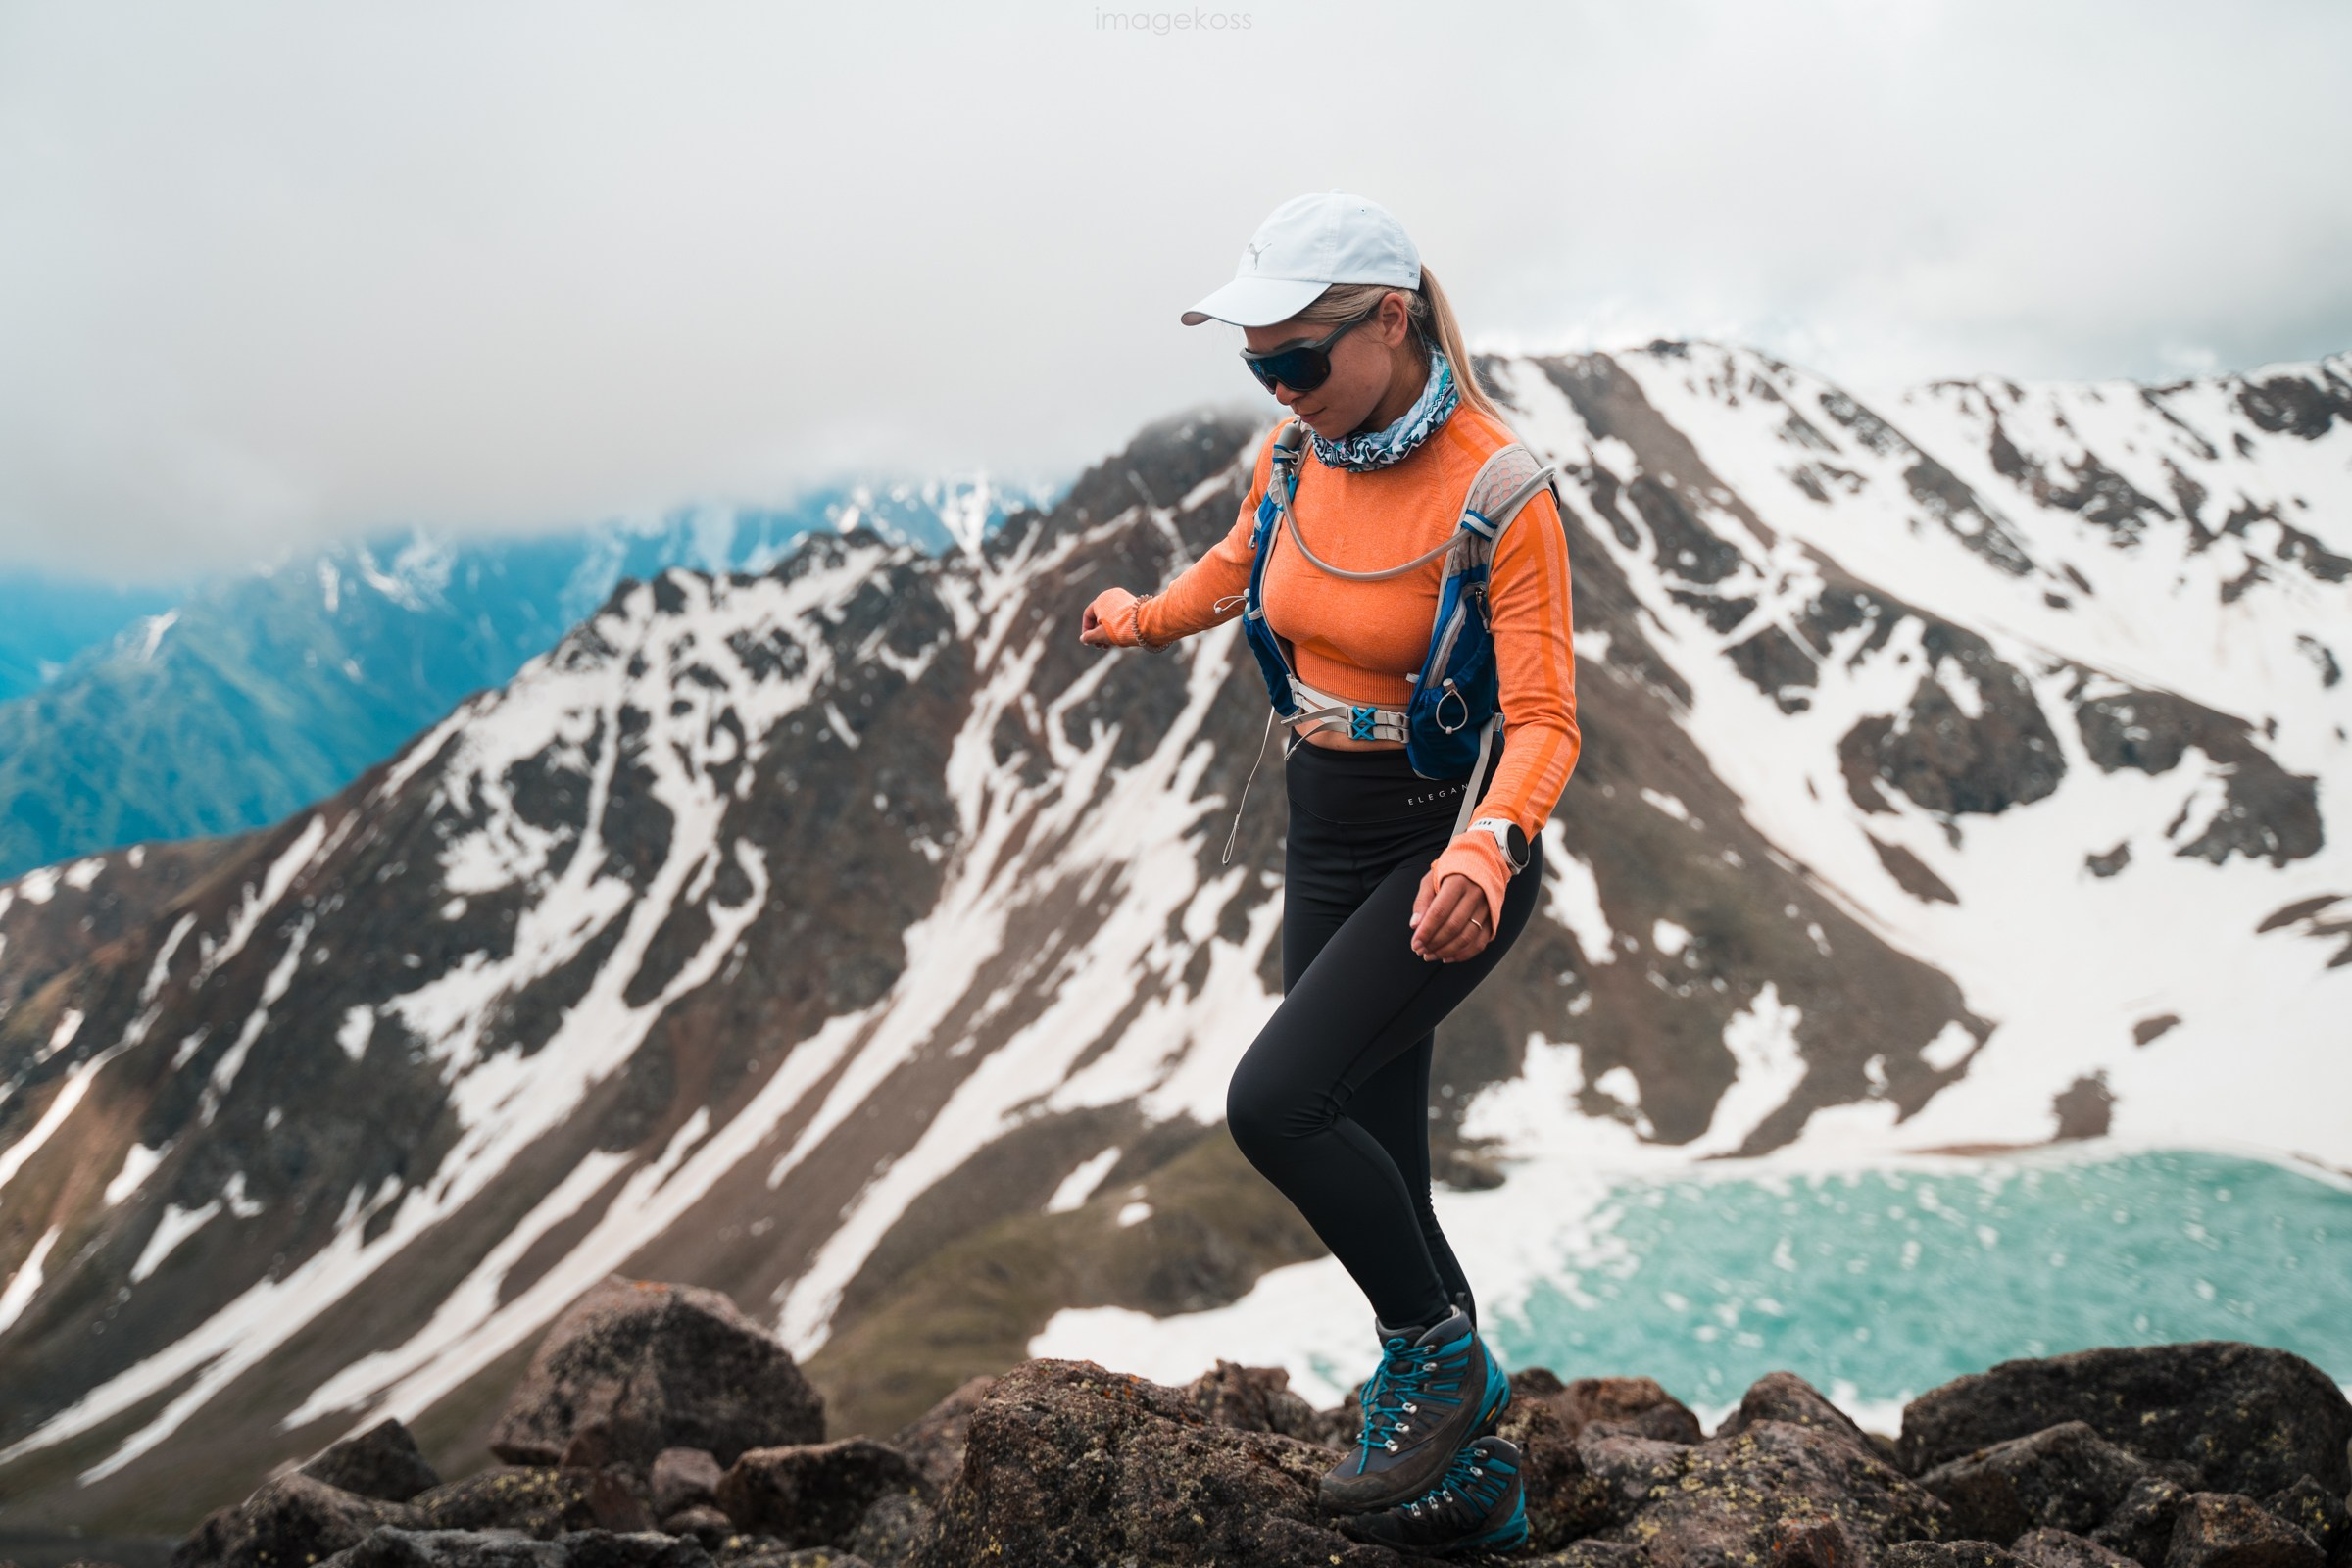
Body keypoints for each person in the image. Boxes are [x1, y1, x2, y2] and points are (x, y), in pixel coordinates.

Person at [1078, 191, 1580, 1557]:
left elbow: (1543, 720)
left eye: (1298, 358)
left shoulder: (1500, 485)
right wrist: (1141, 620)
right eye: (1258, 365)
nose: (1280, 388)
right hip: (1327, 824)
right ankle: (1475, 1496)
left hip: (1444, 851)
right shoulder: (1295, 457)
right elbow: (1243, 572)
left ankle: (1439, 1356)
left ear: (1393, 322)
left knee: (1279, 1102)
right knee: (1390, 1172)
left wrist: (1491, 844)